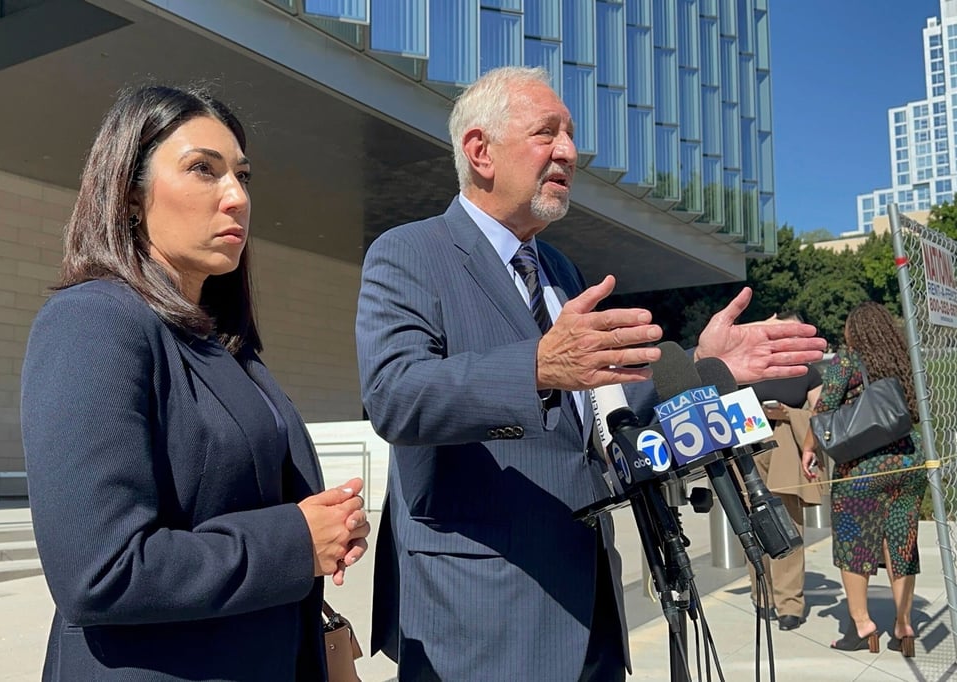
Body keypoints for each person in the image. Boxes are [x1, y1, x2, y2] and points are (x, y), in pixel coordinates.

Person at [355, 66, 827, 681]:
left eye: (571, 134)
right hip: (481, 614)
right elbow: (394, 396)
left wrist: (705, 365)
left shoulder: (559, 268)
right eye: (547, 132)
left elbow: (603, 401)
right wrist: (536, 366)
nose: (570, 152)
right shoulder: (409, 252)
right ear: (480, 151)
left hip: (591, 605)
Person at [20, 85, 370, 681]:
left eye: (242, 175)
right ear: (131, 195)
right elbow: (99, 571)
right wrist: (296, 541)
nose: (237, 197)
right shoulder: (94, 321)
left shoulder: (222, 344)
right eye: (203, 170)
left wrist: (330, 526)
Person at [802, 301, 926, 657]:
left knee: (853, 542)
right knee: (901, 539)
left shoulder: (847, 361)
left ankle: (862, 625)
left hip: (861, 468)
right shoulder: (905, 361)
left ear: (853, 331)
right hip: (907, 462)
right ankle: (903, 624)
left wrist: (809, 448)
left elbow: (823, 410)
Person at [745, 312, 827, 631]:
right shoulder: (752, 362)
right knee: (754, 520)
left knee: (788, 521)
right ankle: (762, 595)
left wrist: (790, 414)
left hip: (786, 442)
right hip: (748, 441)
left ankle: (789, 602)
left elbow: (822, 411)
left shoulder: (807, 371)